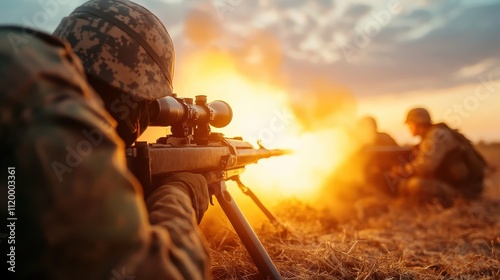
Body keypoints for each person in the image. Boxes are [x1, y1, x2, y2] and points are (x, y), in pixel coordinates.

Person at [1, 0, 210, 279]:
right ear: (132, 95)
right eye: (145, 108)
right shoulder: (49, 114)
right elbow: (164, 274)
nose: (139, 124)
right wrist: (181, 193)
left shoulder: (23, 71)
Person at [389, 107, 487, 206]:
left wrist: (403, 170)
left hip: (464, 191)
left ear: (418, 123)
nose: (409, 128)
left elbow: (425, 166)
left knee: (414, 185)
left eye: (410, 124)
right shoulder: (434, 135)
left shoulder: (437, 136)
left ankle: (451, 203)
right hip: (461, 186)